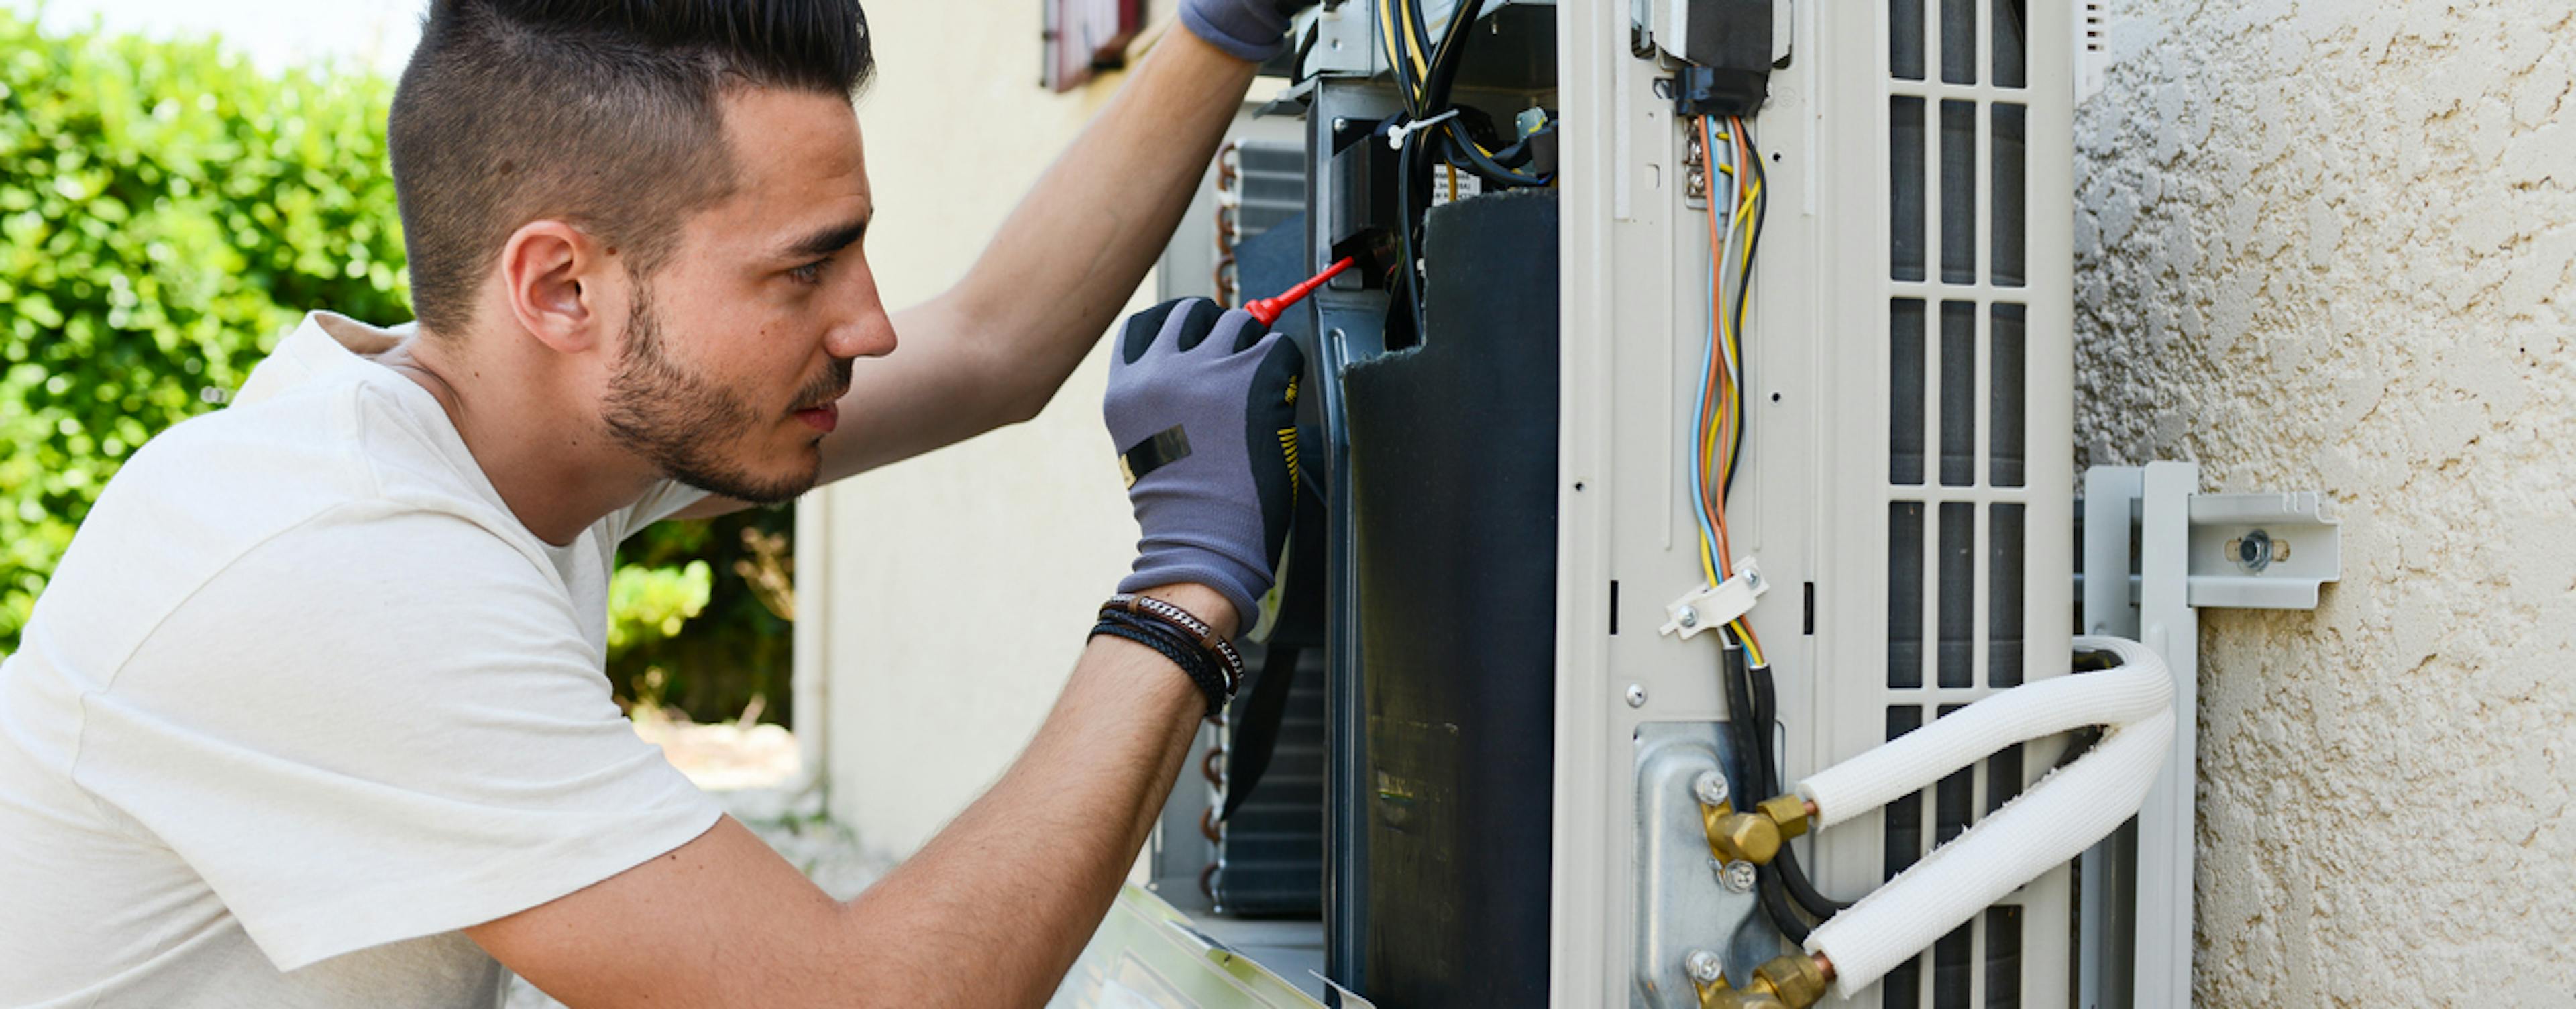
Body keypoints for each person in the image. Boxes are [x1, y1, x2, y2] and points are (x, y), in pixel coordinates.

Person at [0, 0, 1316, 1004]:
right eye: (804, 270)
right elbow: (874, 998)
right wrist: (1186, 579)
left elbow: (994, 339)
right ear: (563, 287)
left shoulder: (520, 431)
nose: (869, 322)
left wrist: (1219, 29)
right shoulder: (338, 563)